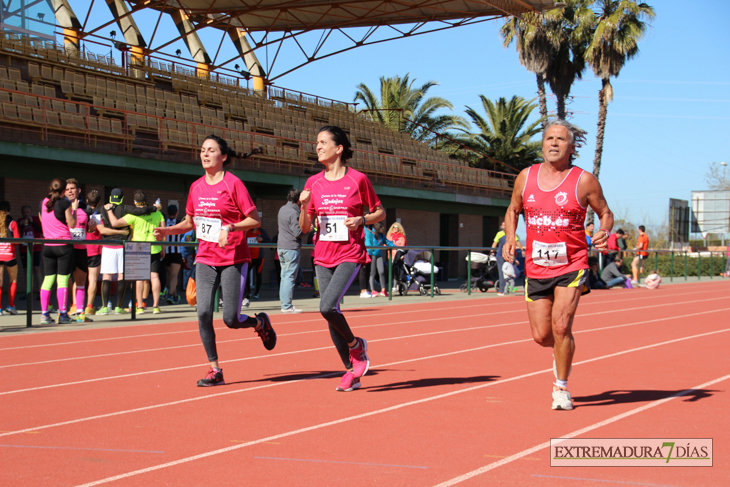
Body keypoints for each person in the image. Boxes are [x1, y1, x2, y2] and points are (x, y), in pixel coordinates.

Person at [503, 119, 613, 411]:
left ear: (571, 147)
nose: (553, 143)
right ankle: (561, 352)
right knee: (542, 336)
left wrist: (604, 231)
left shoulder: (584, 180)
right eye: (549, 138)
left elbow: (605, 212)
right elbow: (513, 209)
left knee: (562, 326)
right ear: (543, 144)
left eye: (560, 139)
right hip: (537, 266)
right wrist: (511, 237)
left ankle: (561, 388)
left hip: (572, 264)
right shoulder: (526, 177)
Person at [154, 134, 276, 387]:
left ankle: (260, 322)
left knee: (231, 319)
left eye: (211, 150)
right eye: (202, 150)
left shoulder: (233, 184)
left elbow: (255, 220)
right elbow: (190, 222)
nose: (205, 154)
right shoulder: (196, 187)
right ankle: (214, 369)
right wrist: (168, 231)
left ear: (223, 157)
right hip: (206, 258)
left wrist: (230, 229)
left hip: (233, 258)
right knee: (203, 313)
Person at [299, 125, 385, 392]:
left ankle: (355, 346)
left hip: (350, 252)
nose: (318, 146)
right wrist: (304, 205)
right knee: (330, 313)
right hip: (323, 254)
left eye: (323, 142)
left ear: (339, 148)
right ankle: (351, 372)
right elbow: (305, 228)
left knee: (326, 307)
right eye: (316, 142)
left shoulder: (358, 179)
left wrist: (362, 219)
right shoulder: (313, 183)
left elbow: (379, 212)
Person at [97, 188, 157, 315]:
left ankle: (104, 307)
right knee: (121, 276)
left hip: (107, 246)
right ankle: (118, 307)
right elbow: (141, 210)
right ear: (122, 199)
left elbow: (101, 229)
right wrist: (155, 208)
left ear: (110, 198)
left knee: (106, 276)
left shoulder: (101, 209)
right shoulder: (125, 208)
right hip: (123, 246)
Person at [39, 178, 78, 324]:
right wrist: (73, 209)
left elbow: (43, 220)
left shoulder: (43, 201)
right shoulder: (65, 203)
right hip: (63, 245)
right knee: (62, 280)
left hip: (48, 245)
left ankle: (44, 314)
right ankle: (62, 314)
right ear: (63, 191)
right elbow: (72, 224)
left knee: (48, 279)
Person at [65, 178, 92, 321]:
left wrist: (93, 225)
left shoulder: (86, 208)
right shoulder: (62, 206)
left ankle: (80, 311)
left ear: (78, 190)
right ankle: (64, 310)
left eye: (72, 188)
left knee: (81, 280)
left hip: (81, 248)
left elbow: (90, 228)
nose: (70, 191)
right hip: (66, 249)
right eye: (68, 189)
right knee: (64, 280)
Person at [277, 188, 303, 314]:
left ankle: (284, 304)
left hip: (281, 246)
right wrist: (308, 228)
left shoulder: (282, 209)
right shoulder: (294, 212)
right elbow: (298, 232)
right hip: (291, 247)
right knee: (289, 277)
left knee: (284, 276)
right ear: (298, 199)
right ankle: (287, 305)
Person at [16, 205, 43, 297]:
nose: (26, 214)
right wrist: (20, 225)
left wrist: (33, 223)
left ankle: (40, 292)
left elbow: (41, 230)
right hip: (24, 249)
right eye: (24, 212)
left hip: (36, 248)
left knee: (36, 269)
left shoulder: (35, 219)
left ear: (30, 212)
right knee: (26, 270)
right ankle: (29, 293)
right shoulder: (19, 221)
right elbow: (15, 233)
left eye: (27, 212)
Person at [84, 190, 103, 314]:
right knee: (92, 280)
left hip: (82, 248)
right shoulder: (99, 216)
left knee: (78, 280)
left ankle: (76, 305)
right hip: (95, 249)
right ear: (99, 202)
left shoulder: (81, 214)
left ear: (86, 201)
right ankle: (89, 306)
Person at [0, 201, 20, 315]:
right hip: (10, 255)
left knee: (0, 281)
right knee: (13, 280)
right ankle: (11, 306)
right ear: (8, 210)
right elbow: (17, 241)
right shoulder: (12, 223)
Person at [493, 220, 524, 295]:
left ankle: (508, 284)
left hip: (509, 255)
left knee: (516, 272)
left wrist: (522, 249)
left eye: (505, 225)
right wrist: (492, 251)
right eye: (502, 225)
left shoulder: (512, 234)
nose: (504, 226)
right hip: (500, 255)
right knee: (501, 272)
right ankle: (501, 290)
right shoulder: (499, 234)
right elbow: (494, 243)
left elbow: (517, 242)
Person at [162, 205, 184, 305]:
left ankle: (175, 296)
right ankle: (170, 294)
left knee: (171, 276)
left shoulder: (164, 222)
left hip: (166, 252)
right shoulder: (179, 223)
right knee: (174, 275)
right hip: (176, 252)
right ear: (176, 212)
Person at [366, 222, 389, 297]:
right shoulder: (371, 234)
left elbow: (387, 242)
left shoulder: (382, 235)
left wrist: (396, 246)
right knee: (373, 272)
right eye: (382, 227)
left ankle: (383, 290)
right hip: (373, 255)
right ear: (378, 228)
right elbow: (369, 243)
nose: (383, 229)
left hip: (379, 255)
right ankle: (373, 290)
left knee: (381, 272)